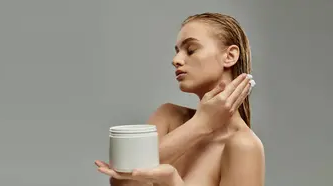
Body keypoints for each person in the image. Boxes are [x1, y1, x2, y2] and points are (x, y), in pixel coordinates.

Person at [94, 12, 265, 186]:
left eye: (191, 50)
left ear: (229, 56)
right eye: (177, 51)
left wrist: (173, 182)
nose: (176, 60)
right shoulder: (169, 116)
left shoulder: (243, 146)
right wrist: (201, 124)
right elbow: (122, 182)